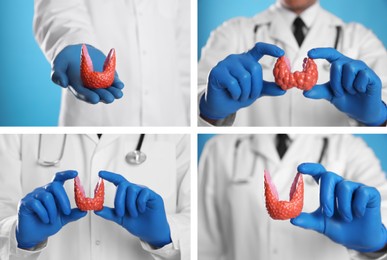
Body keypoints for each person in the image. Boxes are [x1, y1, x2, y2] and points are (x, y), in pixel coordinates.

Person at [0, 134, 190, 260]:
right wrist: (18, 236)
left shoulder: (182, 136)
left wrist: (167, 234)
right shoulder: (13, 135)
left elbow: (200, 231)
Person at [198, 0, 387, 126]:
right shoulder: (231, 32)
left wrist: (380, 117)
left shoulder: (361, 38)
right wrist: (208, 111)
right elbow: (183, 103)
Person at [198, 134, 387, 260]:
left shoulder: (349, 148)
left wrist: (378, 242)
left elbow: (382, 204)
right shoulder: (220, 149)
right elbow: (204, 246)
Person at [34, 0, 190, 126]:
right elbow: (59, 10)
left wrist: (197, 117)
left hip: (171, 121)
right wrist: (74, 43)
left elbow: (185, 54)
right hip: (95, 123)